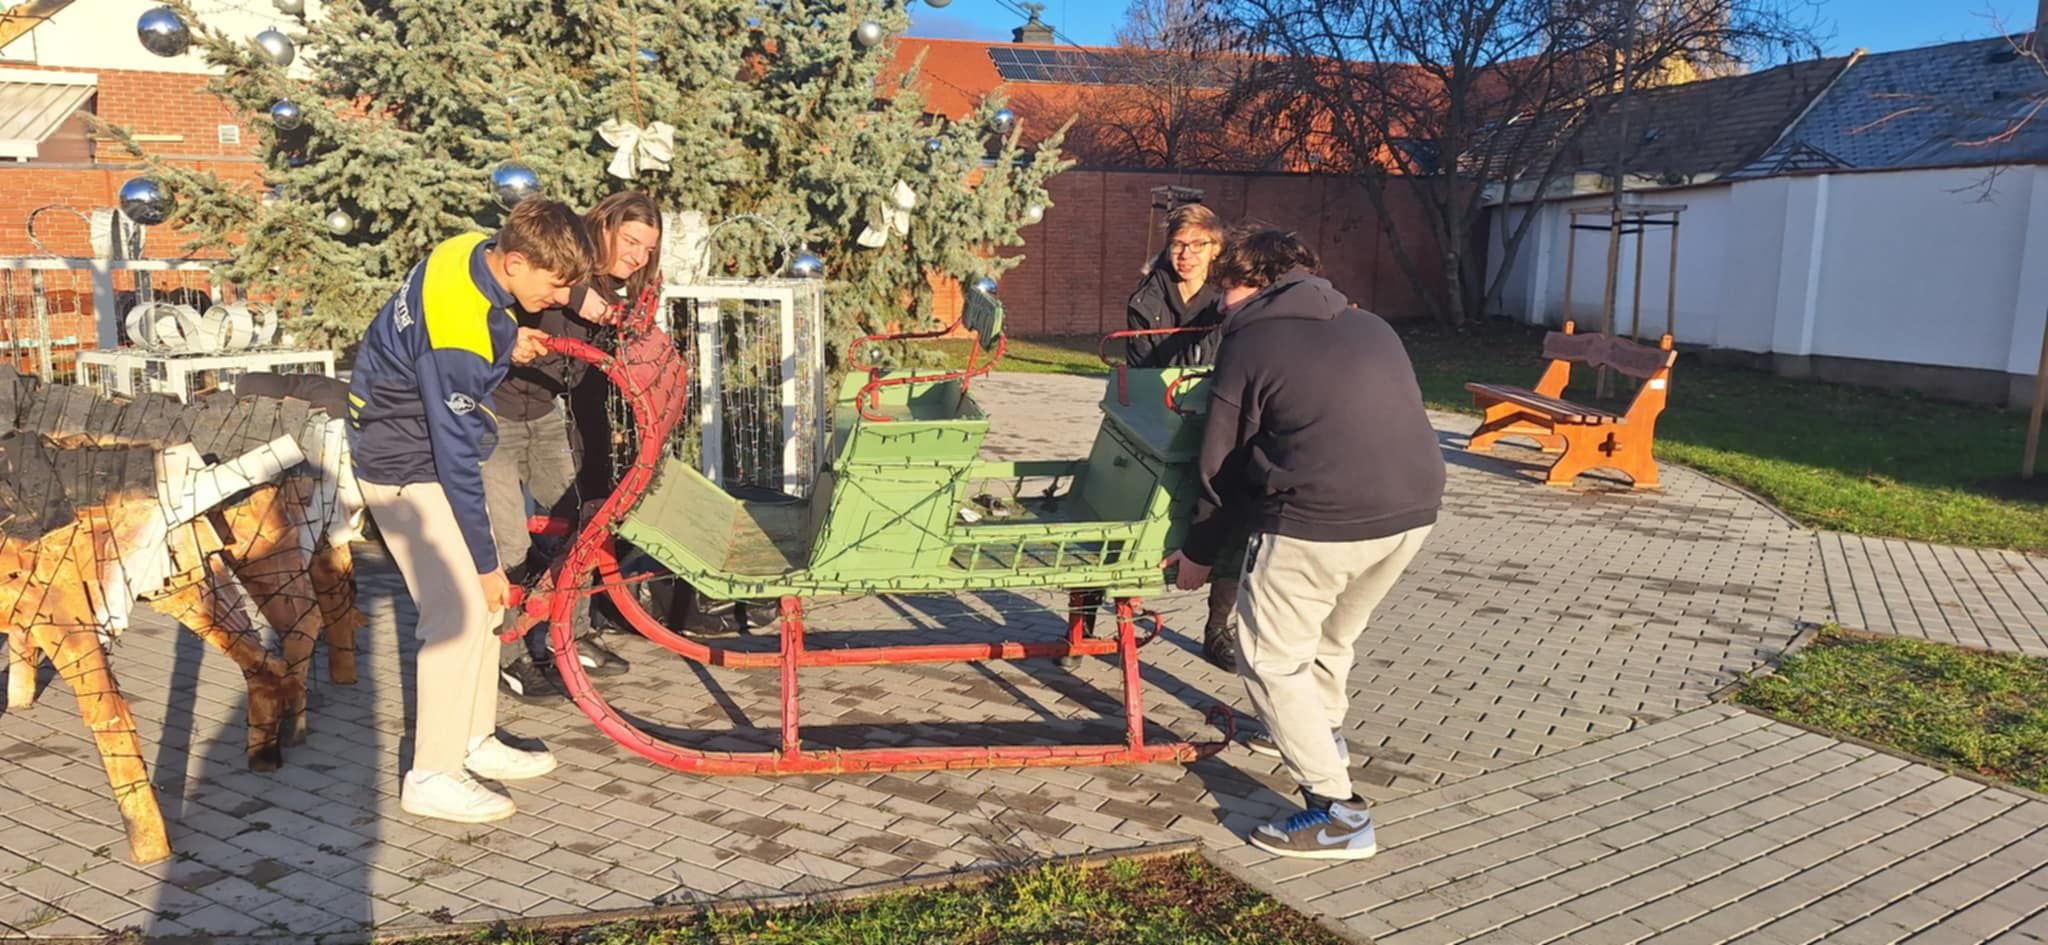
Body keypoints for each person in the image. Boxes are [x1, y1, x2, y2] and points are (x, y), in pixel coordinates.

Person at [1161, 227, 1445, 861]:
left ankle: (1336, 813)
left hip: (1318, 516)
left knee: (1270, 658)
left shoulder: (1252, 339)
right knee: (1331, 637)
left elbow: (1221, 465)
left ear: (1250, 284)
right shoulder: (1370, 324)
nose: (1220, 303)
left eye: (1225, 288)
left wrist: (1199, 554)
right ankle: (1325, 736)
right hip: (1412, 510)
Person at [348, 198, 595, 823]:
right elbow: (456, 455)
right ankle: (431, 774)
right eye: (555, 283)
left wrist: (508, 336)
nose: (563, 296)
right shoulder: (459, 338)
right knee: (458, 609)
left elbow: (460, 318)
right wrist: (486, 565)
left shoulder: (466, 248)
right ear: (514, 260)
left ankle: (474, 740)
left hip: (424, 445)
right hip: (404, 464)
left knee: (484, 606)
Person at [490, 192, 663, 704]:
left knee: (585, 520)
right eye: (629, 241)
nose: (637, 255)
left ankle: (576, 632)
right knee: (507, 543)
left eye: (646, 249)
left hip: (545, 415)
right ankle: (508, 657)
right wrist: (574, 293)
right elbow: (515, 278)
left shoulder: (617, 291)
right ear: (602, 227)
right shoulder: (570, 269)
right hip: (493, 417)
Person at [1122, 203, 1242, 671]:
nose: (1186, 254)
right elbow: (1141, 367)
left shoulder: (1230, 296)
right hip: (1160, 417)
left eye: (1198, 245)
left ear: (1216, 247)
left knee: (1229, 519)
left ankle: (1217, 629)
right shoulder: (1146, 299)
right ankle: (1089, 613)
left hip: (1221, 415)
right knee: (1130, 511)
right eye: (1177, 244)